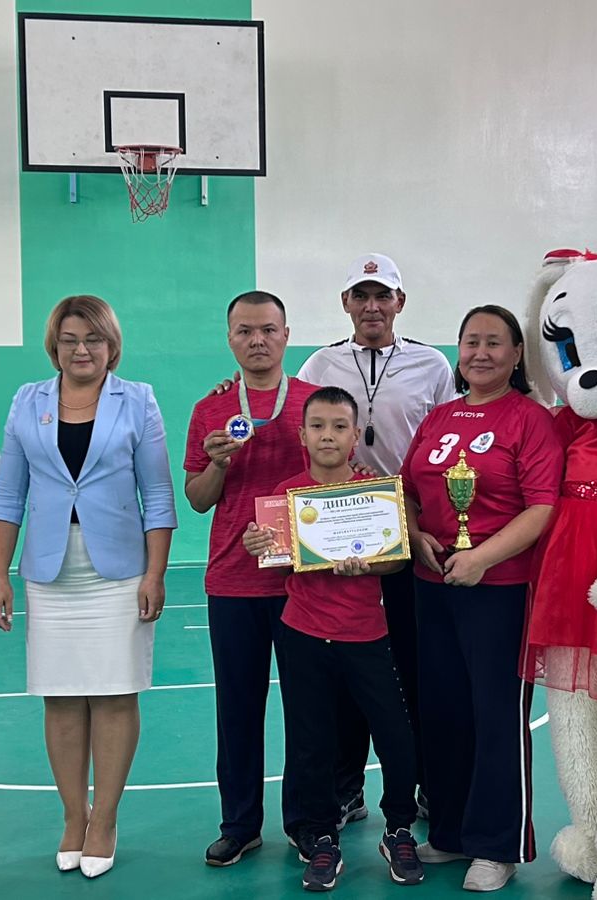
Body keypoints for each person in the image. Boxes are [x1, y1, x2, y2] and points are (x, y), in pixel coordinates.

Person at [0, 295, 176, 878]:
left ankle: (105, 820)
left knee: (116, 694)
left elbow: (158, 495)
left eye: (93, 339)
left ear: (111, 345)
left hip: (119, 570)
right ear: (55, 346)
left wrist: (155, 573)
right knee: (61, 695)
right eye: (69, 339)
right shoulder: (27, 400)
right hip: (50, 571)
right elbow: (7, 494)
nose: (81, 349)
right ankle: (74, 815)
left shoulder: (137, 400)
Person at [399, 305, 563, 892]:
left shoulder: (531, 420)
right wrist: (414, 534)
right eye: (471, 341)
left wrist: (483, 557)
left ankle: (498, 845)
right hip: (432, 586)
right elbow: (406, 489)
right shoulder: (438, 417)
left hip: (500, 591)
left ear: (517, 354)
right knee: (442, 711)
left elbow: (542, 507)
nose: (481, 353)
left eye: (495, 342)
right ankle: (449, 832)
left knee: (496, 716)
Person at [240, 386, 425, 891]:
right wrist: (259, 542)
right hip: (304, 635)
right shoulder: (286, 496)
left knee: (396, 737)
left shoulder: (374, 492)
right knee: (311, 743)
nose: (328, 435)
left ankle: (399, 827)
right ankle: (322, 837)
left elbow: (395, 562)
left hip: (367, 635)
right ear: (302, 435)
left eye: (339, 426)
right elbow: (277, 558)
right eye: (318, 426)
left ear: (354, 435)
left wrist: (368, 564)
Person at [295, 253, 454, 828]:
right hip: (340, 535)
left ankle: (423, 785)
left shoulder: (431, 364)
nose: (371, 306)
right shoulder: (320, 363)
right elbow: (298, 429)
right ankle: (346, 789)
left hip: (408, 533)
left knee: (412, 666)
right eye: (360, 296)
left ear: (399, 302)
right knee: (345, 668)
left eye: (382, 295)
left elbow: (446, 444)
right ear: (345, 303)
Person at [185, 291, 319, 866]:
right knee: (237, 710)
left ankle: (307, 823)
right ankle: (239, 824)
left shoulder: (314, 402)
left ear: (286, 334)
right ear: (230, 339)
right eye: (244, 331)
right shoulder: (210, 409)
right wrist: (219, 463)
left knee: (308, 711)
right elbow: (197, 499)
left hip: (303, 583)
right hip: (233, 583)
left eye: (267, 329)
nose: (257, 340)